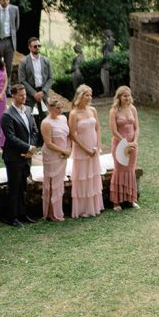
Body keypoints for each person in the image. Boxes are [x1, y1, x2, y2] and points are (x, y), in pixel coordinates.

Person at [1, 84, 38, 227]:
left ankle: (22, 214)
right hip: (14, 157)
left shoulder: (28, 110)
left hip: (27, 156)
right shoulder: (7, 115)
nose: (24, 97)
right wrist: (27, 147)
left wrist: (31, 148)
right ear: (13, 95)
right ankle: (12, 217)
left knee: (23, 186)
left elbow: (34, 130)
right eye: (21, 95)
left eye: (25, 95)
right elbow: (10, 137)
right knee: (14, 187)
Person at [69, 84, 104, 219]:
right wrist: (86, 150)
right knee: (83, 177)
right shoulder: (73, 113)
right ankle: (83, 209)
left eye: (91, 95)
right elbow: (73, 135)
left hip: (94, 149)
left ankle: (94, 206)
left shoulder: (93, 110)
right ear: (80, 96)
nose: (90, 98)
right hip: (82, 149)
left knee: (93, 176)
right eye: (87, 95)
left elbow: (98, 128)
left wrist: (98, 146)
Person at [109, 86, 140, 211]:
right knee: (119, 170)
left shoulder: (133, 108)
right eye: (124, 96)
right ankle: (116, 202)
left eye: (129, 95)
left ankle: (131, 199)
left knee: (130, 170)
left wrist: (134, 142)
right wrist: (124, 142)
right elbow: (113, 130)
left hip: (132, 145)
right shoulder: (114, 111)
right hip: (119, 144)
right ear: (119, 97)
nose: (127, 98)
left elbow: (137, 127)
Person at [40, 94, 70, 221]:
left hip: (62, 155)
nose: (60, 110)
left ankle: (58, 210)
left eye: (61, 108)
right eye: (58, 108)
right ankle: (50, 213)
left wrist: (68, 150)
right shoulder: (46, 123)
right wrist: (62, 150)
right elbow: (48, 143)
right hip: (51, 155)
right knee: (52, 183)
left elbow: (68, 135)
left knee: (59, 183)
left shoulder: (63, 118)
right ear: (50, 108)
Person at [18, 36, 53, 132]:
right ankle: (29, 141)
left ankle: (45, 141)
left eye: (39, 46)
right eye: (35, 46)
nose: (37, 48)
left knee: (45, 118)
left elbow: (51, 78)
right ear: (29, 47)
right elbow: (22, 80)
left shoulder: (46, 60)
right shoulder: (23, 61)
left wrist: (43, 91)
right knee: (27, 117)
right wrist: (34, 93)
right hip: (29, 94)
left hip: (43, 93)